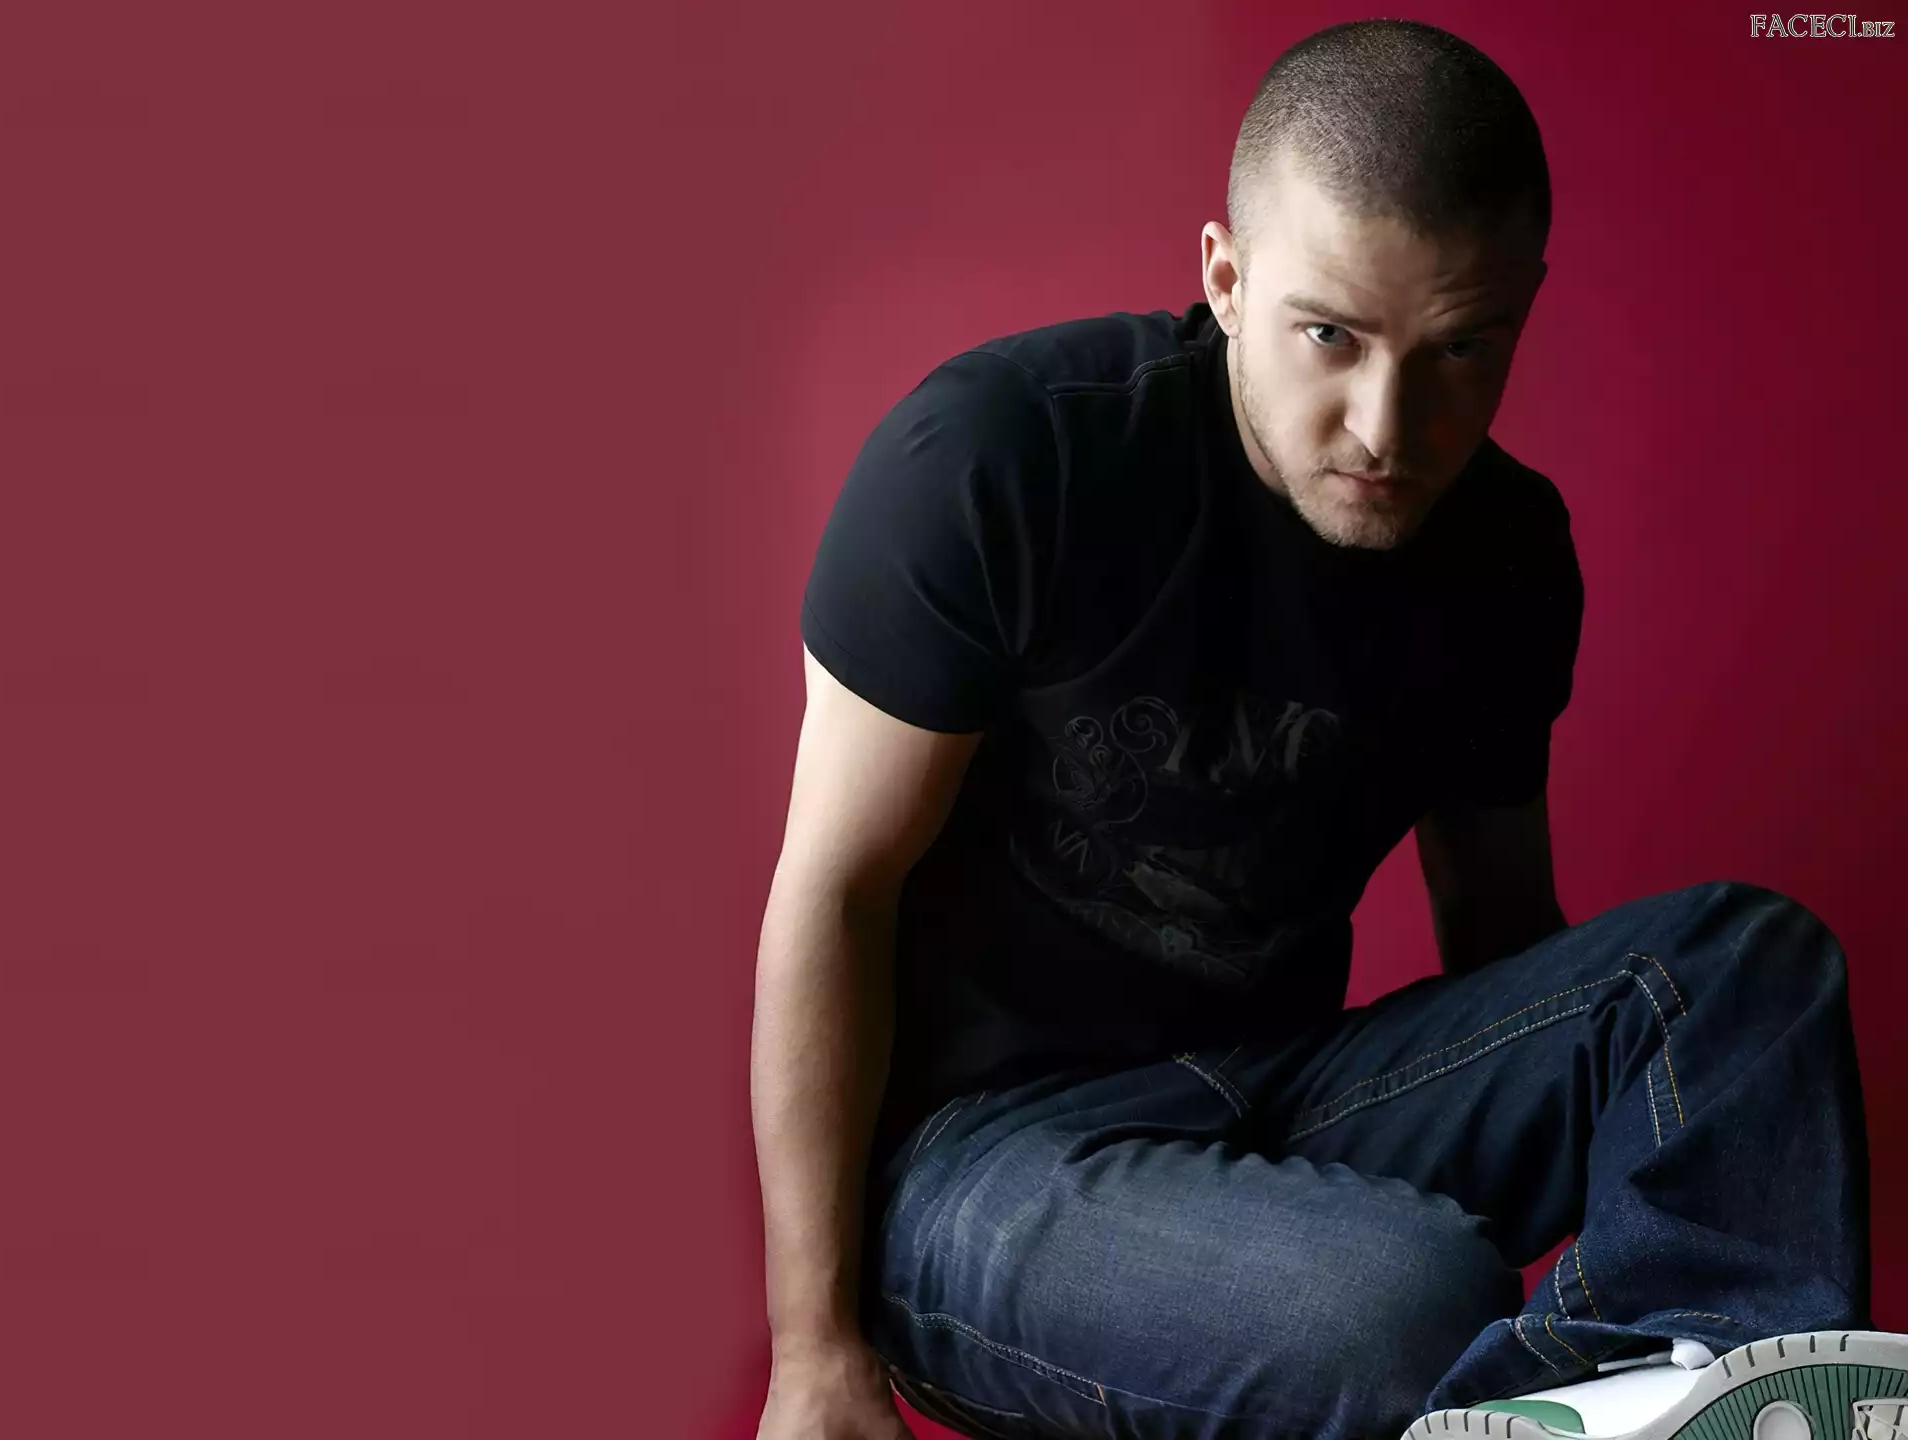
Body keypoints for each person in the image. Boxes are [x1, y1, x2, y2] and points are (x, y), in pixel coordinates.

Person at [751, 19, 1896, 1440]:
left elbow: (1506, 943)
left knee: (1738, 968)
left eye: (1460, 348)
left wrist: (1619, 1125)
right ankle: (1571, 1403)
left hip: (1280, 1100)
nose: (1388, 426)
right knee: (1405, 1299)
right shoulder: (1003, 457)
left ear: (1523, 310)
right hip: (979, 1165)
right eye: (1330, 336)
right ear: (1226, 278)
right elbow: (834, 893)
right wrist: (813, 1349)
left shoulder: (1506, 552)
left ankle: (1691, 1384)